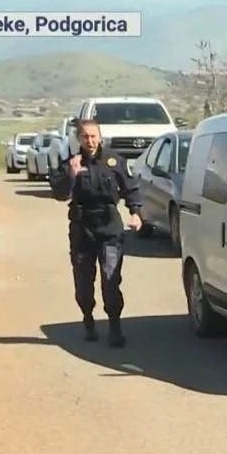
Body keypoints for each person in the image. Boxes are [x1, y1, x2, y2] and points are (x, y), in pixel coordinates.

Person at [51, 119, 144, 347]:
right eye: (85, 137)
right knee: (83, 280)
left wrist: (135, 213)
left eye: (93, 136)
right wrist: (71, 174)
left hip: (109, 225)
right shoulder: (71, 162)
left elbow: (130, 187)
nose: (90, 141)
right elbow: (60, 194)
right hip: (82, 228)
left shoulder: (113, 161)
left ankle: (114, 326)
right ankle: (88, 320)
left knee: (111, 279)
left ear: (100, 137)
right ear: (78, 138)